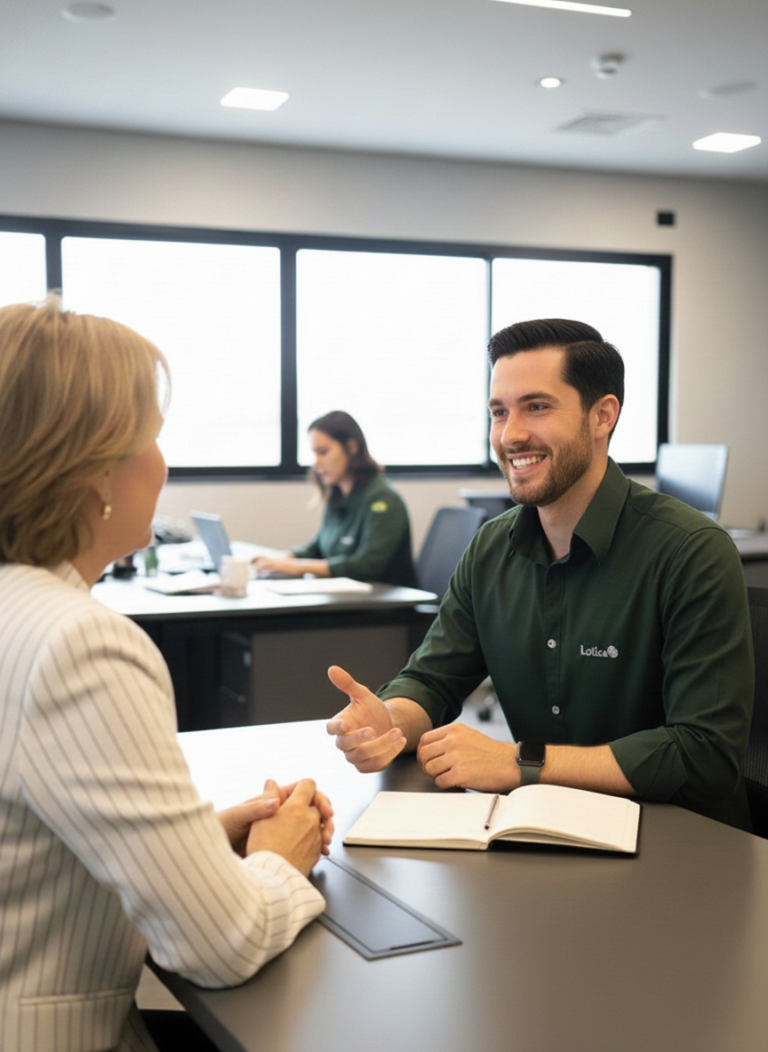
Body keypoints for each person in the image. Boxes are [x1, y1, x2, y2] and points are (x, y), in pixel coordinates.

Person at [0, 298, 334, 1052]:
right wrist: (280, 857)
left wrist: (195, 844)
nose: (164, 462)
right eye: (152, 437)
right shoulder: (79, 644)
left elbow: (25, 842)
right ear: (96, 473)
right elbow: (219, 944)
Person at [326, 318, 754, 830]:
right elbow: (431, 679)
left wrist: (521, 763)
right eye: (499, 412)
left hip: (682, 840)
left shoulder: (690, 550)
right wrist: (391, 720)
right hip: (546, 829)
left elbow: (705, 754)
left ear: (602, 416)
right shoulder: (491, 548)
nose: (511, 435)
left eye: (537, 407)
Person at [253, 410, 417, 587]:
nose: (316, 463)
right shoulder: (338, 494)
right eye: (314, 454)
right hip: (347, 597)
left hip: (383, 600)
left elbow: (367, 567)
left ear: (352, 447)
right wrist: (283, 559)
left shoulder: (383, 500)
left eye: (323, 452)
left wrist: (297, 568)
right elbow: (319, 547)